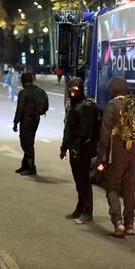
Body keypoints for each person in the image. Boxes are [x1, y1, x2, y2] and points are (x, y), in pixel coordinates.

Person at [96, 77, 135, 236]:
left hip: (116, 152)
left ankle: (117, 221)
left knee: (111, 186)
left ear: (113, 89)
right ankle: (130, 224)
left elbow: (105, 134)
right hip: (133, 152)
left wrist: (100, 156)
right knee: (128, 188)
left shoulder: (112, 106)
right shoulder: (134, 105)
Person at [59, 77, 99, 224]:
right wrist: (64, 148)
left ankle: (87, 212)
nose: (72, 91)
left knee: (84, 181)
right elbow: (68, 129)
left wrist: (78, 147)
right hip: (73, 150)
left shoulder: (86, 106)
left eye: (75, 88)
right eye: (70, 88)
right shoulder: (72, 105)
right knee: (78, 181)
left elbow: (86, 132)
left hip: (83, 151)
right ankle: (80, 208)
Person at [13, 72, 48, 176]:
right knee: (29, 141)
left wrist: (15, 122)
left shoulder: (23, 93)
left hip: (26, 120)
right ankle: (25, 165)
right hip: (36, 119)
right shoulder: (39, 91)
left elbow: (20, 109)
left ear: (23, 81)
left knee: (26, 143)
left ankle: (31, 167)